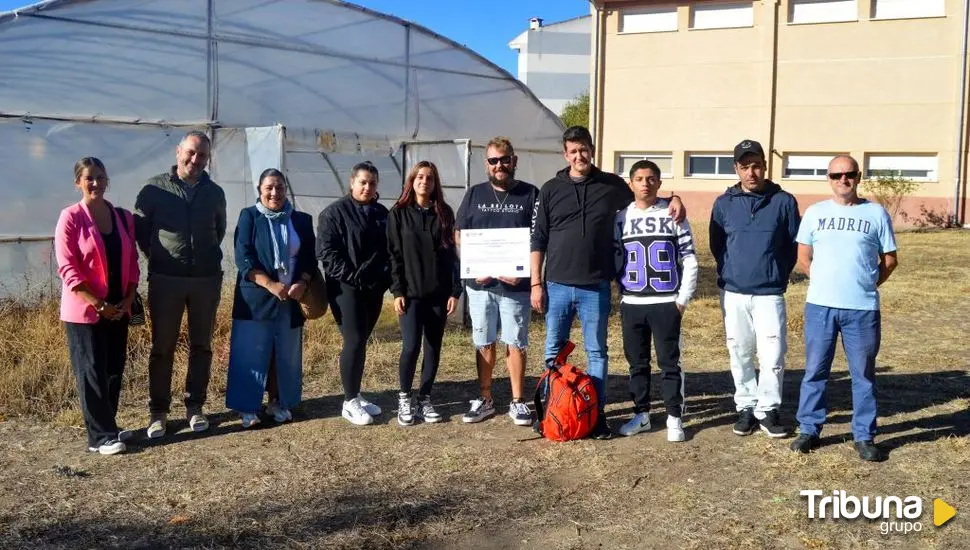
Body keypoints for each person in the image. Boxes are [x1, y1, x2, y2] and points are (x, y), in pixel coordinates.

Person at [530, 126, 685, 439]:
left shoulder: (611, 185)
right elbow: (539, 238)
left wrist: (676, 198)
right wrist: (536, 283)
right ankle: (551, 409)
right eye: (573, 151)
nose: (579, 156)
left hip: (596, 285)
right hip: (558, 284)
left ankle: (594, 414)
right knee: (552, 351)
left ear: (592, 150)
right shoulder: (549, 189)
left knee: (597, 352)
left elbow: (646, 194)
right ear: (565, 154)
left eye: (583, 149)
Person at [790, 155, 898, 462]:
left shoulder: (875, 213)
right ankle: (809, 429)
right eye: (837, 175)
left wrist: (868, 282)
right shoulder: (815, 213)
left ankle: (864, 435)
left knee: (863, 374)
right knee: (815, 371)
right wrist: (823, 281)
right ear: (829, 178)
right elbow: (803, 255)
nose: (843, 180)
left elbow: (889, 259)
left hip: (862, 309)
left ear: (858, 176)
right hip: (820, 307)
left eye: (849, 174)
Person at [134, 131, 227, 438]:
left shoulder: (214, 193)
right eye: (190, 152)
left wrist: (202, 259)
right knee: (163, 347)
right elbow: (141, 231)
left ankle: (195, 406)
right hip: (166, 279)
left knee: (202, 345)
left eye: (202, 155)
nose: (195, 160)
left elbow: (219, 230)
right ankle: (158, 411)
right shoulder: (154, 188)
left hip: (205, 280)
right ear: (178, 152)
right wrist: (162, 258)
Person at [709, 139, 801, 439]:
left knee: (772, 353)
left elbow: (791, 245)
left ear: (765, 165)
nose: (751, 172)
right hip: (734, 292)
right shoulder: (723, 204)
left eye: (756, 165)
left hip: (769, 293)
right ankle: (746, 406)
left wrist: (776, 274)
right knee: (740, 351)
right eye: (745, 166)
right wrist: (731, 272)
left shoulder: (783, 201)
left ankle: (768, 409)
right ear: (736, 168)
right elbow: (717, 245)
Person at [54, 157, 140, 455]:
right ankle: (99, 437)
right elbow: (67, 267)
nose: (96, 183)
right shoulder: (71, 217)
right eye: (89, 178)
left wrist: (128, 298)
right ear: (78, 181)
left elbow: (132, 261)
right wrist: (97, 303)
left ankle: (109, 426)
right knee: (91, 370)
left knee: (114, 368)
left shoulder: (122, 217)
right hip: (86, 310)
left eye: (100, 178)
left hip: (118, 306)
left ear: (107, 181)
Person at [455, 137, 538, 426]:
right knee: (484, 340)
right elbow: (459, 233)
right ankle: (486, 399)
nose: (499, 165)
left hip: (516, 286)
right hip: (481, 286)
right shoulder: (474, 194)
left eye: (504, 160)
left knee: (515, 341)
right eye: (493, 161)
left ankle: (518, 401)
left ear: (514, 161)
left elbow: (539, 238)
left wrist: (525, 271)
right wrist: (472, 266)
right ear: (486, 164)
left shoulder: (530, 194)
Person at [614, 160, 698, 442]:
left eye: (651, 179)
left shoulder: (673, 214)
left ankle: (674, 415)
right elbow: (615, 258)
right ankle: (642, 415)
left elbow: (689, 258)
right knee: (637, 364)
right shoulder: (620, 217)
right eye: (639, 178)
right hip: (633, 301)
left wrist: (682, 299)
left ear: (659, 183)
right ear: (631, 183)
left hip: (665, 301)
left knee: (669, 363)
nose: (645, 184)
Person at [225, 169, 316, 428]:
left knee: (284, 354)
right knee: (250, 353)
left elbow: (310, 257)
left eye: (279, 187)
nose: (274, 193)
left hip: (291, 298)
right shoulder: (249, 217)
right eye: (269, 187)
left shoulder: (300, 220)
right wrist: (270, 284)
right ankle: (247, 407)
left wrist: (302, 282)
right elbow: (244, 257)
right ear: (260, 189)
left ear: (286, 189)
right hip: (255, 298)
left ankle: (279, 401)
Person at [387, 161, 462, 426]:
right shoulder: (398, 213)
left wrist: (455, 290)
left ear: (435, 184)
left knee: (433, 347)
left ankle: (425, 398)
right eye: (420, 177)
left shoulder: (444, 213)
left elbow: (453, 255)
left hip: (438, 294)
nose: (424, 181)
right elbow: (394, 255)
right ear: (412, 181)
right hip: (410, 295)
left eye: (430, 178)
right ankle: (405, 397)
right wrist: (397, 291)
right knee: (410, 347)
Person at [317, 161, 391, 426]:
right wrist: (353, 277)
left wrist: (382, 279)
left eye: (372, 183)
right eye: (362, 182)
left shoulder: (382, 213)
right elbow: (327, 253)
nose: (367, 187)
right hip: (345, 289)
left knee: (362, 340)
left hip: (373, 288)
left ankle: (356, 395)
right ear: (352, 182)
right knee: (354, 339)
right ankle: (348, 402)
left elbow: (388, 250)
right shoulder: (334, 213)